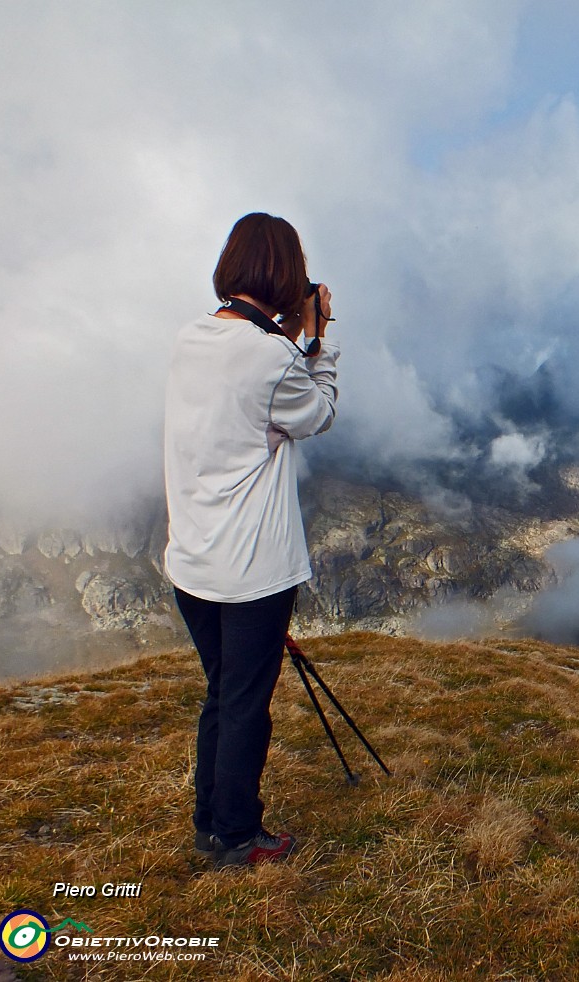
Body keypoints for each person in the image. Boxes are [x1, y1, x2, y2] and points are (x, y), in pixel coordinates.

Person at [162, 212, 338, 868]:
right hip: (252, 574)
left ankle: (210, 821)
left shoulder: (192, 338)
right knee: (245, 708)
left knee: (222, 693)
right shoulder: (272, 357)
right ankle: (237, 836)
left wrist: (288, 335)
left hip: (193, 564)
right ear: (286, 275)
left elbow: (243, 404)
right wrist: (318, 341)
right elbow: (317, 414)